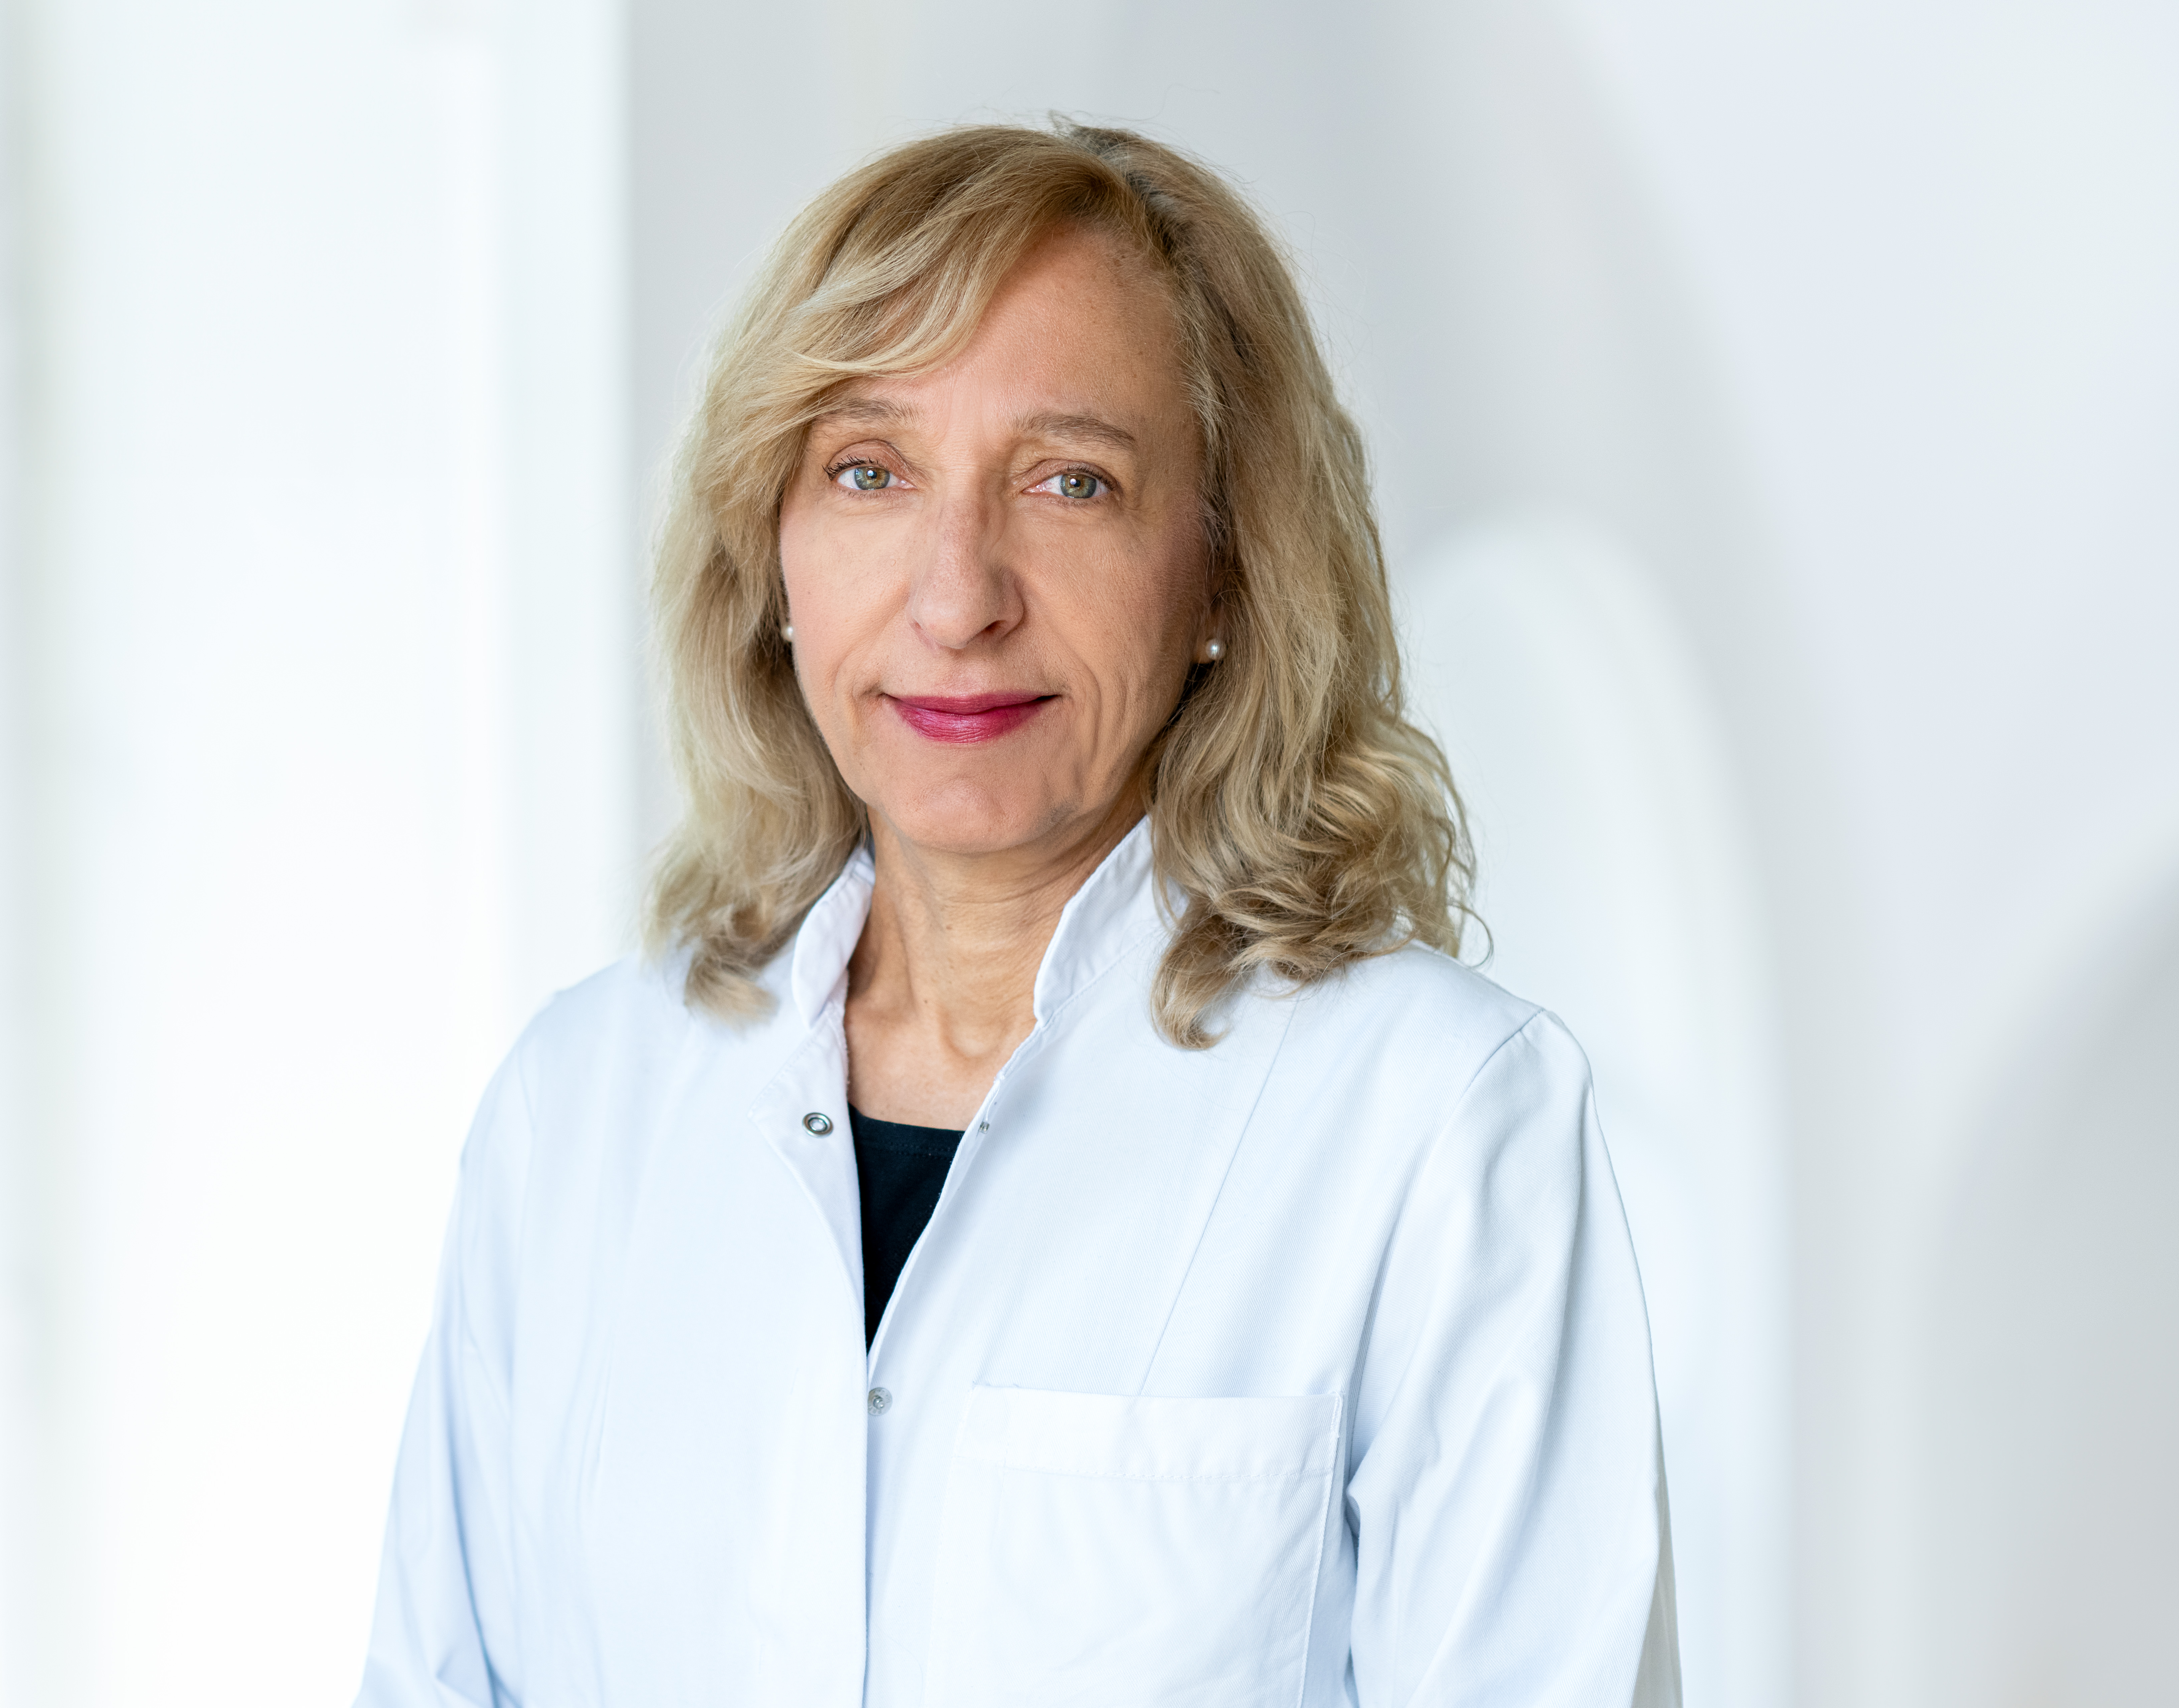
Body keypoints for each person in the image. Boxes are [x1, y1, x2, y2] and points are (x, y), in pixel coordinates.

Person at [355, 120, 1677, 1707]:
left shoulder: (1435, 1123)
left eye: (1069, 481)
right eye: (867, 471)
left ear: (1222, 570)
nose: (956, 596)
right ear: (772, 551)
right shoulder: (577, 1110)